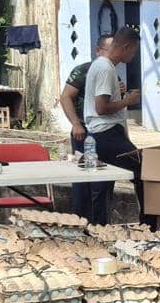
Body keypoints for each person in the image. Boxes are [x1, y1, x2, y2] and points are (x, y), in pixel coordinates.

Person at [82, 26, 147, 225]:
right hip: (107, 132)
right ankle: (150, 224)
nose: (134, 56)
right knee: (145, 171)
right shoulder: (105, 67)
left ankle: (100, 228)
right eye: (134, 51)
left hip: (101, 133)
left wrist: (119, 94)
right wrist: (128, 101)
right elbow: (101, 107)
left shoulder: (101, 65)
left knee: (103, 186)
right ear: (126, 47)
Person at [60, 34, 115, 220]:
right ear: (98, 51)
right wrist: (76, 123)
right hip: (83, 133)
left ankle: (100, 226)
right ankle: (79, 224)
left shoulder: (111, 71)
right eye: (109, 49)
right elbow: (66, 96)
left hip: (105, 134)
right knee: (83, 182)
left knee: (103, 182)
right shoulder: (84, 71)